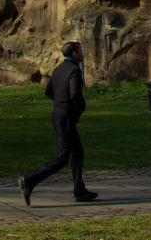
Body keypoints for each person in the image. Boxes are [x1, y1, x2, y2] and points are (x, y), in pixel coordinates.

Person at [19, 40, 98, 204]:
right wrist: (80, 107)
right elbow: (75, 94)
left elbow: (48, 91)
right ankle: (29, 180)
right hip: (66, 118)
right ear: (75, 53)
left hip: (58, 115)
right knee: (63, 157)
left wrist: (61, 101)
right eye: (80, 51)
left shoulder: (58, 70)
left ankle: (80, 190)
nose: (82, 53)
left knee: (77, 152)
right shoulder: (74, 71)